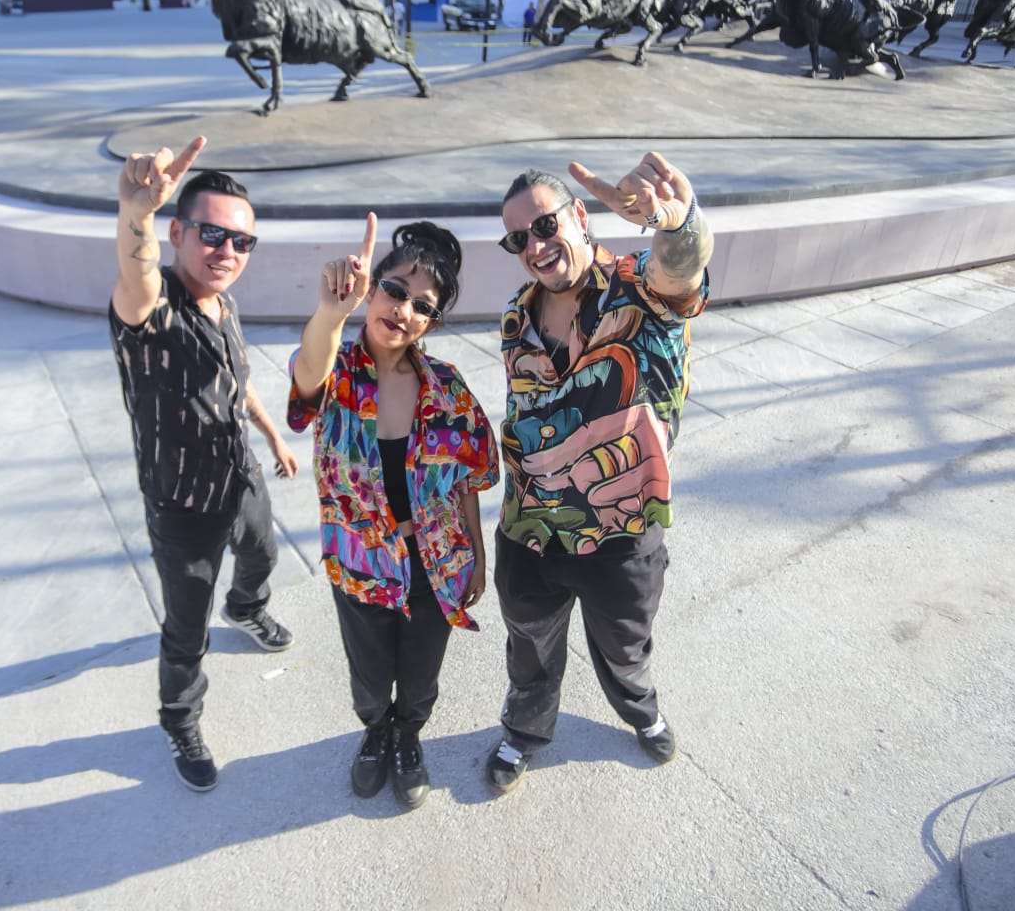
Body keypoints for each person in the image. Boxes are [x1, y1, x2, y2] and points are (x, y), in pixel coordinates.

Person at [484, 152, 715, 794]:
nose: (535, 246)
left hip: (622, 532)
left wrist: (677, 224)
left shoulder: (640, 288)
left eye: (544, 226)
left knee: (625, 645)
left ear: (579, 216)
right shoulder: (515, 316)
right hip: (530, 529)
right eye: (518, 239)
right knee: (529, 647)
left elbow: (682, 269)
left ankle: (641, 712)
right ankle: (525, 731)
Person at [109, 135, 302, 793]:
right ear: (177, 233)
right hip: (182, 502)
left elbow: (237, 378)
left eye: (241, 241)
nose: (227, 251)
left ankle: (246, 607)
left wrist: (272, 436)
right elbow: (135, 276)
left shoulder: (226, 303)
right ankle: (180, 718)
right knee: (186, 629)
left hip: (239, 474)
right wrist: (134, 214)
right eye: (212, 235)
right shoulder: (151, 308)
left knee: (262, 553)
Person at [289, 215, 497, 811]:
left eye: (422, 306)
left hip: (436, 560)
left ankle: (408, 737)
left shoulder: (447, 388)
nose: (403, 310)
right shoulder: (337, 374)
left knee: (423, 671)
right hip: (360, 561)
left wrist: (478, 556)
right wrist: (331, 312)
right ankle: (376, 730)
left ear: (432, 322)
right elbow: (306, 377)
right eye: (395, 290)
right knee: (370, 672)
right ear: (372, 289)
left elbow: (468, 479)